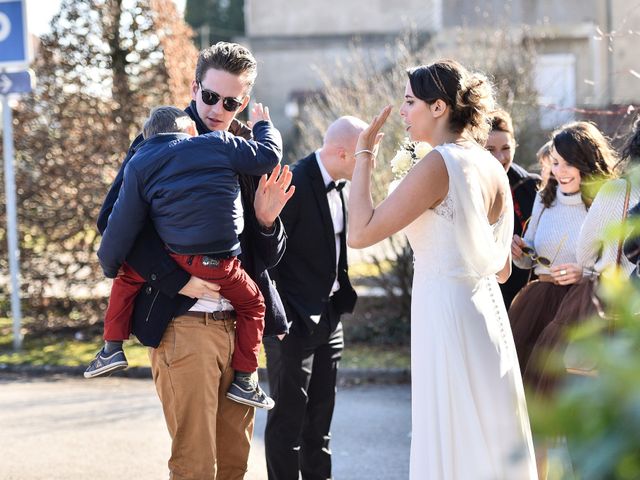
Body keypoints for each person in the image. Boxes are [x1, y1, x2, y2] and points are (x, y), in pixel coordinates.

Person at [96, 42, 293, 479]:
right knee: (196, 466)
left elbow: (269, 255)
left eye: (231, 102)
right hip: (183, 325)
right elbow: (111, 224)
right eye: (209, 96)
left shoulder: (245, 148)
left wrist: (264, 221)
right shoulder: (156, 141)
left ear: (243, 102)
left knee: (236, 465)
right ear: (194, 87)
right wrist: (174, 279)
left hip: (240, 327)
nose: (217, 108)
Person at [347, 59, 537, 479]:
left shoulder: (439, 164)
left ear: (438, 108)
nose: (402, 112)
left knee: (453, 435)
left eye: (410, 101)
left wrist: (364, 154)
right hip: (485, 310)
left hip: (445, 311)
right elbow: (503, 269)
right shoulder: (491, 166)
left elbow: (360, 233)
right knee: (486, 433)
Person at [90, 104, 282, 409]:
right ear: (191, 131)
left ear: (146, 137)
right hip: (223, 264)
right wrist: (263, 127)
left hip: (177, 257)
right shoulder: (220, 143)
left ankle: (112, 348)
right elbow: (268, 155)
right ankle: (246, 379)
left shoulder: (140, 162)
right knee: (253, 304)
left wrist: (111, 265)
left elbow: (119, 226)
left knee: (127, 277)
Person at [509, 121, 616, 479]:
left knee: (577, 412)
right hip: (541, 306)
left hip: (586, 310)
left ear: (587, 161)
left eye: (568, 162)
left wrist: (584, 274)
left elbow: (613, 262)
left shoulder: (607, 200)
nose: (560, 170)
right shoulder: (544, 198)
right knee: (536, 411)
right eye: (555, 162)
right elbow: (532, 254)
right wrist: (521, 252)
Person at [263, 116, 365, 480]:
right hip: (292, 322)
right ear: (341, 152)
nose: (368, 162)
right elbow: (265, 257)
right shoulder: (292, 182)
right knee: (287, 423)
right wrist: (279, 318)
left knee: (320, 425)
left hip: (329, 317)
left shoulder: (341, 185)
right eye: (363, 155)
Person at [485, 109, 541, 309]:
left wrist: (526, 248)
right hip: (487, 293)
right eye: (490, 149)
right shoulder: (467, 188)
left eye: (506, 148)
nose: (500, 157)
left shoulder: (533, 186)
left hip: (529, 295)